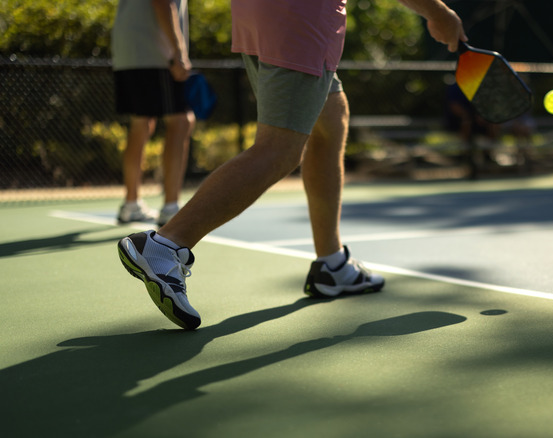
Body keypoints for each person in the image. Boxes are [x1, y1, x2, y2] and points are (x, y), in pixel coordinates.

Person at [117, 0, 468, 330]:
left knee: (331, 118)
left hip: (262, 15)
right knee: (279, 149)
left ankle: (331, 265)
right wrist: (438, 12)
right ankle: (164, 246)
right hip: (301, 19)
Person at [112, 0, 196, 226]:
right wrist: (178, 52)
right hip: (155, 54)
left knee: (141, 122)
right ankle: (171, 208)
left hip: (127, 52)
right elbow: (162, 2)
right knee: (181, 121)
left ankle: (131, 205)